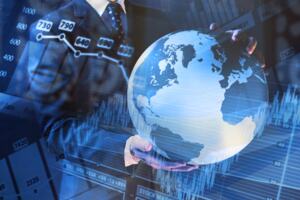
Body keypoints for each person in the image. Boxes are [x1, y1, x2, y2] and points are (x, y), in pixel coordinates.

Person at [17, 0, 261, 174]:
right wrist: (128, 147)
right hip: (97, 184)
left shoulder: (157, 18)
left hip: (170, 177)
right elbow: (56, 131)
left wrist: (228, 60)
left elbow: (183, 85)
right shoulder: (51, 29)